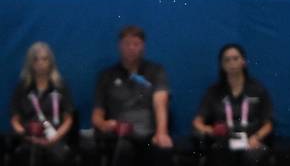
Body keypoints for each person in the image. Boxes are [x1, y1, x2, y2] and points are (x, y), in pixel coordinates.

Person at [92, 25, 173, 166]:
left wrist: (161, 133)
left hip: (149, 134)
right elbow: (97, 114)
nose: (131, 48)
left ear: (143, 46)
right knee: (123, 149)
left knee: (162, 149)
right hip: (119, 134)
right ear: (119, 46)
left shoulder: (156, 71)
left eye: (136, 44)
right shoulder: (107, 75)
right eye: (127, 44)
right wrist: (104, 124)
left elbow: (161, 102)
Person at [193, 44, 273, 166]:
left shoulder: (257, 89)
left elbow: (268, 124)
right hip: (224, 142)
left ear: (244, 61)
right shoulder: (214, 92)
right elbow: (197, 122)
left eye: (236, 58)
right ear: (222, 65)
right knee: (219, 154)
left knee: (253, 156)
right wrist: (209, 130)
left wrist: (256, 138)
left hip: (251, 139)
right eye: (227, 60)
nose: (232, 63)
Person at [9, 42, 74, 166]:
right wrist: (24, 134)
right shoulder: (22, 88)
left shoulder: (61, 86)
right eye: (36, 60)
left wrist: (56, 137)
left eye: (44, 59)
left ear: (51, 62)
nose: (40, 63)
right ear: (30, 63)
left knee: (60, 157)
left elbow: (68, 119)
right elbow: (15, 119)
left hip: (55, 139)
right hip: (28, 140)